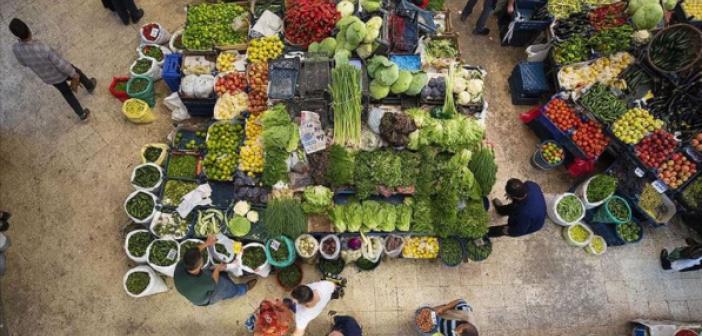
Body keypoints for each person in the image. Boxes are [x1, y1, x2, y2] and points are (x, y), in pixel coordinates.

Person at [9, 18, 96, 121]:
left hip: (49, 78)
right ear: (29, 29)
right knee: (78, 72)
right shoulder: (43, 48)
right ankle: (89, 85)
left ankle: (81, 114)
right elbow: (61, 64)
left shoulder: (16, 49)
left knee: (66, 93)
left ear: (16, 35)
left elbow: (23, 63)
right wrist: (74, 74)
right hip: (61, 72)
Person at [173, 235, 257, 306]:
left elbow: (194, 251)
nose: (202, 258)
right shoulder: (201, 283)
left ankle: (224, 275)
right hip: (206, 297)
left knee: (217, 273)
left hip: (191, 288)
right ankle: (243, 289)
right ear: (199, 266)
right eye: (201, 259)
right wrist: (217, 268)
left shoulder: (182, 264)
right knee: (226, 288)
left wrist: (207, 243)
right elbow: (214, 282)